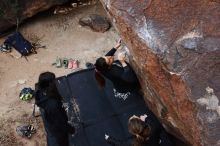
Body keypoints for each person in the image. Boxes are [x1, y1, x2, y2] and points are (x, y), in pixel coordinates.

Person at [35, 72, 75, 146]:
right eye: (53, 81)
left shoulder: (39, 91)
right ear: (49, 84)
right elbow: (60, 123)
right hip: (57, 129)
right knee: (63, 141)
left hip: (50, 120)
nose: (55, 82)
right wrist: (70, 129)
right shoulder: (53, 105)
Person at [105, 114, 174, 146]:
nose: (134, 114)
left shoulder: (132, 141)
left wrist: (109, 139)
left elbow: (120, 144)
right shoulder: (153, 126)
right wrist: (146, 118)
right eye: (135, 116)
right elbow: (159, 127)